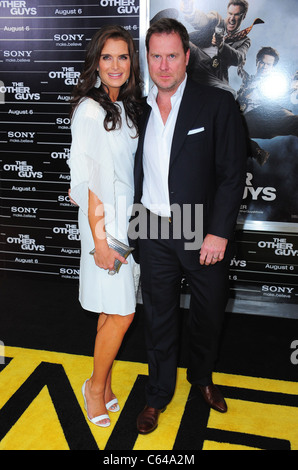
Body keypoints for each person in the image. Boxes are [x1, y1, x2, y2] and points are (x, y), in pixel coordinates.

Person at [129, 18, 247, 434]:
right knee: (158, 316)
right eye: (156, 56)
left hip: (199, 224)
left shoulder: (215, 104)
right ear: (147, 59)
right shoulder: (137, 109)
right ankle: (157, 395)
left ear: (187, 56)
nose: (164, 65)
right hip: (151, 224)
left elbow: (233, 173)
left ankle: (202, 378)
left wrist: (218, 232)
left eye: (172, 56)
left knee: (208, 313)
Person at [68, 25, 142, 428]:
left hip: (123, 221)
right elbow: (93, 178)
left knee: (112, 308)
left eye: (123, 57)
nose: (116, 65)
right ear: (96, 62)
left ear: (132, 63)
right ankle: (94, 388)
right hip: (106, 225)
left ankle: (105, 382)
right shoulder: (92, 109)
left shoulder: (123, 107)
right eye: (108, 57)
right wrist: (99, 240)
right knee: (124, 313)